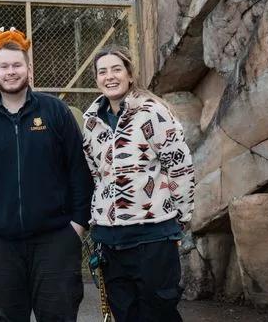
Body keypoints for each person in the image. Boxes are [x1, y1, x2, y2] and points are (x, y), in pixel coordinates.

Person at [0, 28, 93, 322]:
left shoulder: (56, 111)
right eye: (4, 66)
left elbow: (79, 172)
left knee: (59, 315)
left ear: (29, 69)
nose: (11, 72)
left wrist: (77, 226)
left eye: (17, 65)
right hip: (1, 243)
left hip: (56, 239)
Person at [81, 48, 195, 322]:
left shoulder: (153, 113)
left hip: (153, 235)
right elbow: (96, 174)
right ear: (96, 78)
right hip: (110, 239)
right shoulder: (91, 122)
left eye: (116, 69)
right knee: (124, 314)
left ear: (130, 75)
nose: (110, 76)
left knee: (159, 312)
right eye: (103, 71)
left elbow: (179, 166)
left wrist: (181, 217)